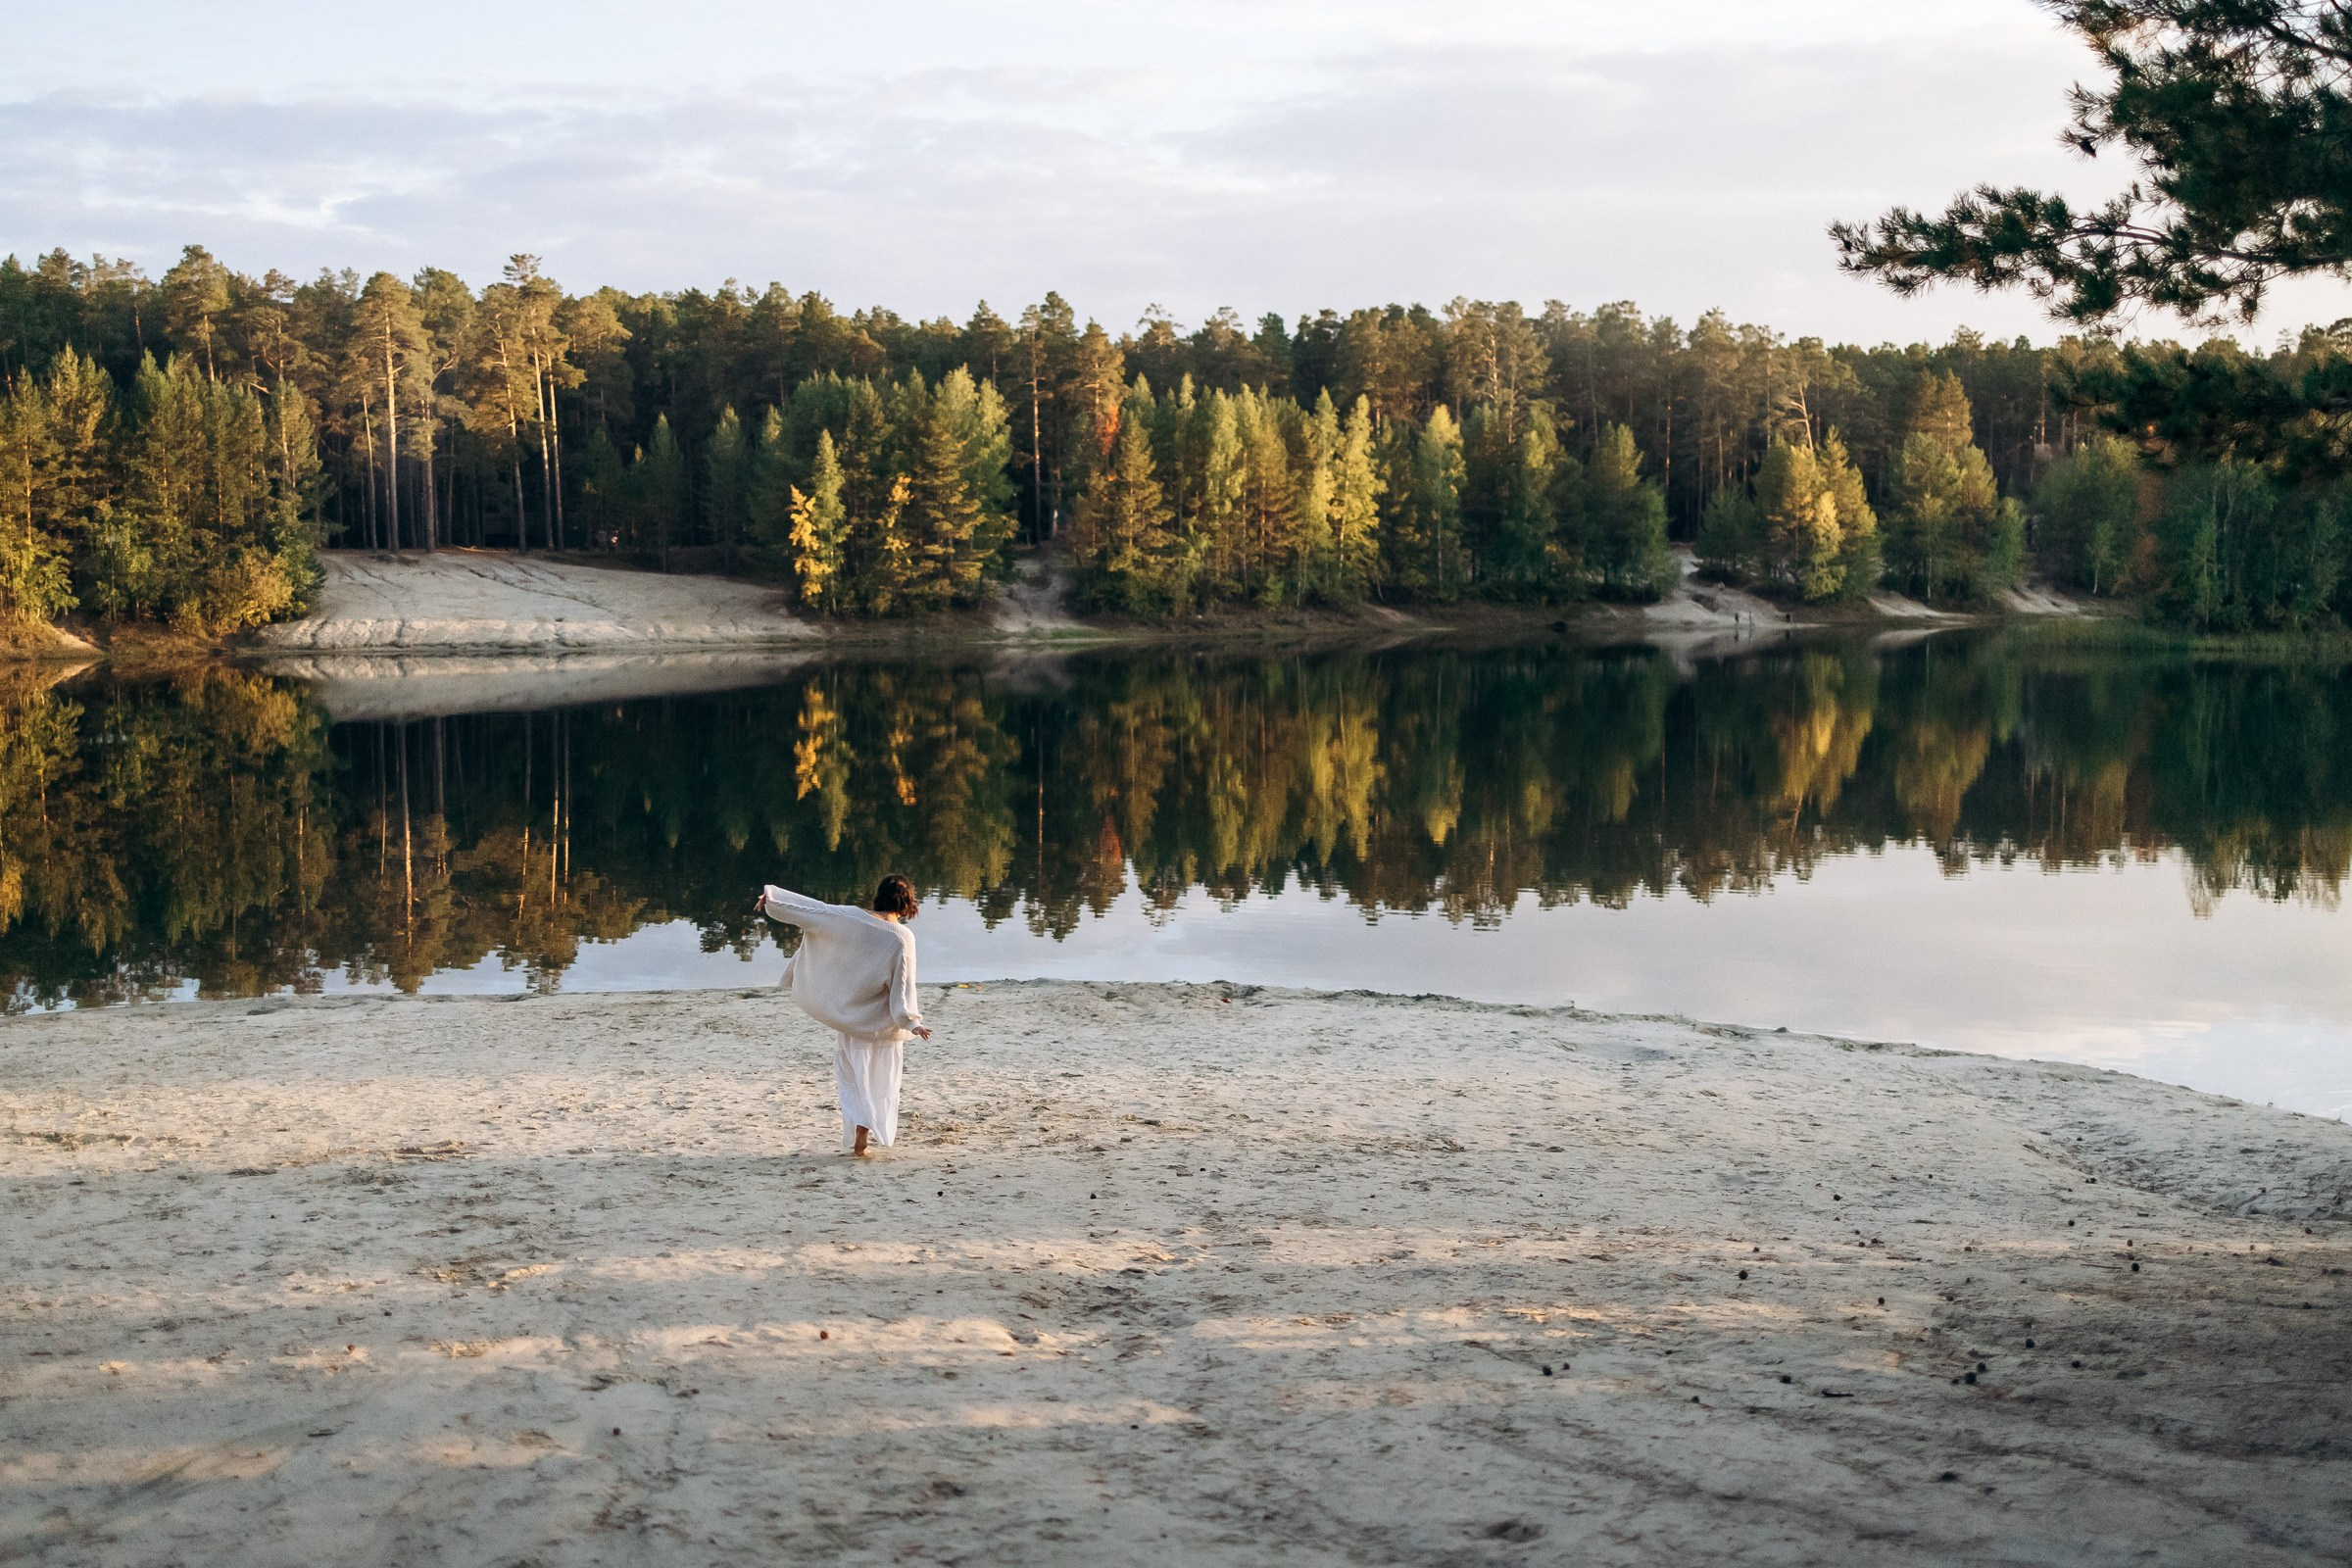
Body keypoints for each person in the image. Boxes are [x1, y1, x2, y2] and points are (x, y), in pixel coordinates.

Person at [757, 874, 931, 1156]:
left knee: (852, 1077)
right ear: (908, 904)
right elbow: (902, 987)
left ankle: (857, 1131)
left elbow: (813, 911)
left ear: (879, 895)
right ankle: (864, 1132)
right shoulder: (902, 938)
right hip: (880, 1024)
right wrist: (912, 1021)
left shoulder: (849, 917)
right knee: (879, 1082)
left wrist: (774, 899)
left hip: (851, 1019)